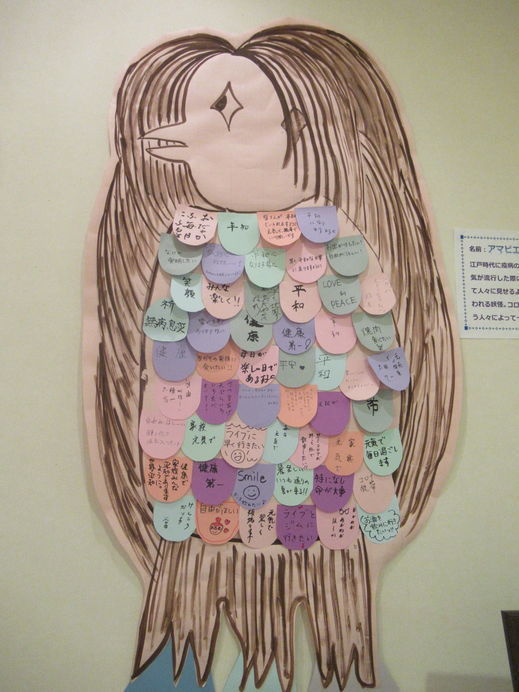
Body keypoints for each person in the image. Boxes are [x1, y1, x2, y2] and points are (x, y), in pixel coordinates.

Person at [83, 23, 461, 690]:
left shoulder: (343, 246)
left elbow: (383, 381)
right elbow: (155, 384)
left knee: (329, 626)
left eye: (227, 112)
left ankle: (332, 661)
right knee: (192, 623)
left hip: (328, 497)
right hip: (202, 501)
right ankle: (192, 657)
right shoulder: (185, 246)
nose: (189, 136)